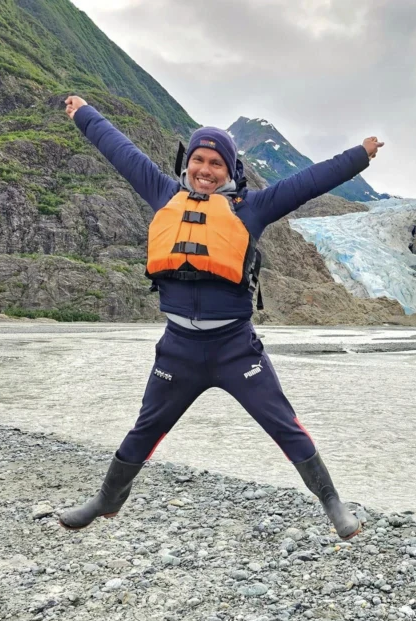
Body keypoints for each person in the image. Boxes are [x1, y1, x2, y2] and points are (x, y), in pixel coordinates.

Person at [56, 95, 383, 540]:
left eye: (216, 163)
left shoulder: (253, 209)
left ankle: (332, 503)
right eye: (198, 160)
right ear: (186, 163)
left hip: (233, 348)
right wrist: (85, 114)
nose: (205, 170)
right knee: (145, 428)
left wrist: (359, 157)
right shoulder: (162, 193)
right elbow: (120, 150)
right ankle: (107, 500)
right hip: (178, 351)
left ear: (230, 171)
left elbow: (309, 181)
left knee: (283, 424)